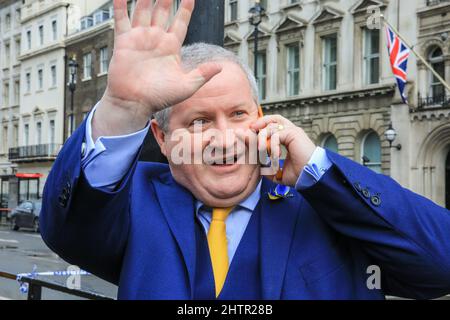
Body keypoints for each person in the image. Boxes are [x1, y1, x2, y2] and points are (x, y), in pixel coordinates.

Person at [40, 0, 450, 300]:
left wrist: (319, 171)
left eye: (238, 114)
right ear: (163, 140)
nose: (224, 137)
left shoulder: (330, 204)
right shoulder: (136, 200)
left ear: (262, 115)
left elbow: (440, 267)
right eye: (198, 122)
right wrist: (122, 108)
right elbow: (67, 228)